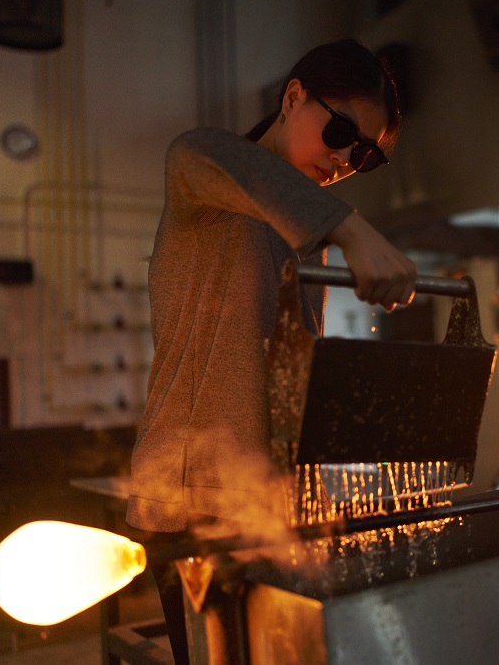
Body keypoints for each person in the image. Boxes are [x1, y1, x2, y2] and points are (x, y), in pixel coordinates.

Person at [124, 39, 416, 664]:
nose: (344, 158)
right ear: (292, 97)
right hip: (195, 499)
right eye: (340, 132)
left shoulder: (303, 235)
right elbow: (200, 149)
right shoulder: (207, 187)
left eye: (363, 154)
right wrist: (351, 225)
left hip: (271, 501)